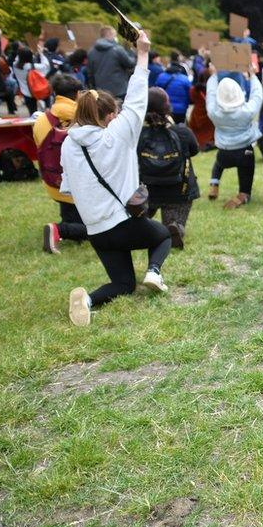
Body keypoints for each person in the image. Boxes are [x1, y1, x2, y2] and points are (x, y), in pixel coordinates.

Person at [59, 31, 171, 327]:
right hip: (122, 222)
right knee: (163, 235)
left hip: (95, 230)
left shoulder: (68, 145)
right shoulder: (115, 136)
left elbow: (68, 188)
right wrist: (142, 53)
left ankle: (88, 300)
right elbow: (136, 100)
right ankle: (154, 271)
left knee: (123, 284)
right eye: (114, 113)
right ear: (107, 115)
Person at [139, 87, 200, 249]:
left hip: (146, 189)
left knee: (142, 219)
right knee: (175, 215)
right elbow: (194, 150)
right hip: (179, 189)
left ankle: (145, 227)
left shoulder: (137, 134)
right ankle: (175, 226)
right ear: (167, 107)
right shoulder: (182, 132)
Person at [35, 73, 89, 253]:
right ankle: (59, 230)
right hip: (82, 184)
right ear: (76, 93)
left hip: (53, 183)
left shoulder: (42, 120)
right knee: (99, 229)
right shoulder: (85, 116)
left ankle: (67, 225)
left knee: (72, 215)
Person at [206, 63, 263, 209]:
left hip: (224, 151)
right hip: (245, 151)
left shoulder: (214, 112)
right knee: (246, 178)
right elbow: (257, 95)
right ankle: (243, 195)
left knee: (218, 164)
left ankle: (214, 183)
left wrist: (213, 75)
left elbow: (211, 93)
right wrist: (253, 76)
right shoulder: (247, 111)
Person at [86, 26, 137, 100]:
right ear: (110, 34)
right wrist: (132, 52)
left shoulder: (91, 51)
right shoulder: (117, 49)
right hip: (119, 91)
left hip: (101, 92)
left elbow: (90, 73)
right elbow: (130, 64)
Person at [12, 46, 51, 115]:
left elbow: (17, 58)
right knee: (46, 111)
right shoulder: (33, 66)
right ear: (30, 57)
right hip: (38, 90)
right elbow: (46, 65)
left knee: (33, 113)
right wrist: (41, 53)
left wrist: (22, 51)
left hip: (26, 93)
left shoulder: (15, 65)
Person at [154, 59, 191, 125]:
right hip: (180, 110)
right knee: (179, 127)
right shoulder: (185, 79)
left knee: (166, 126)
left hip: (165, 108)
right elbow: (189, 94)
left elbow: (157, 91)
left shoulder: (161, 76)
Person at [188, 69, 214, 150]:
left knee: (198, 132)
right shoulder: (212, 89)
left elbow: (192, 99)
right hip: (209, 113)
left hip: (197, 113)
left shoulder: (194, 90)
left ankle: (198, 144)